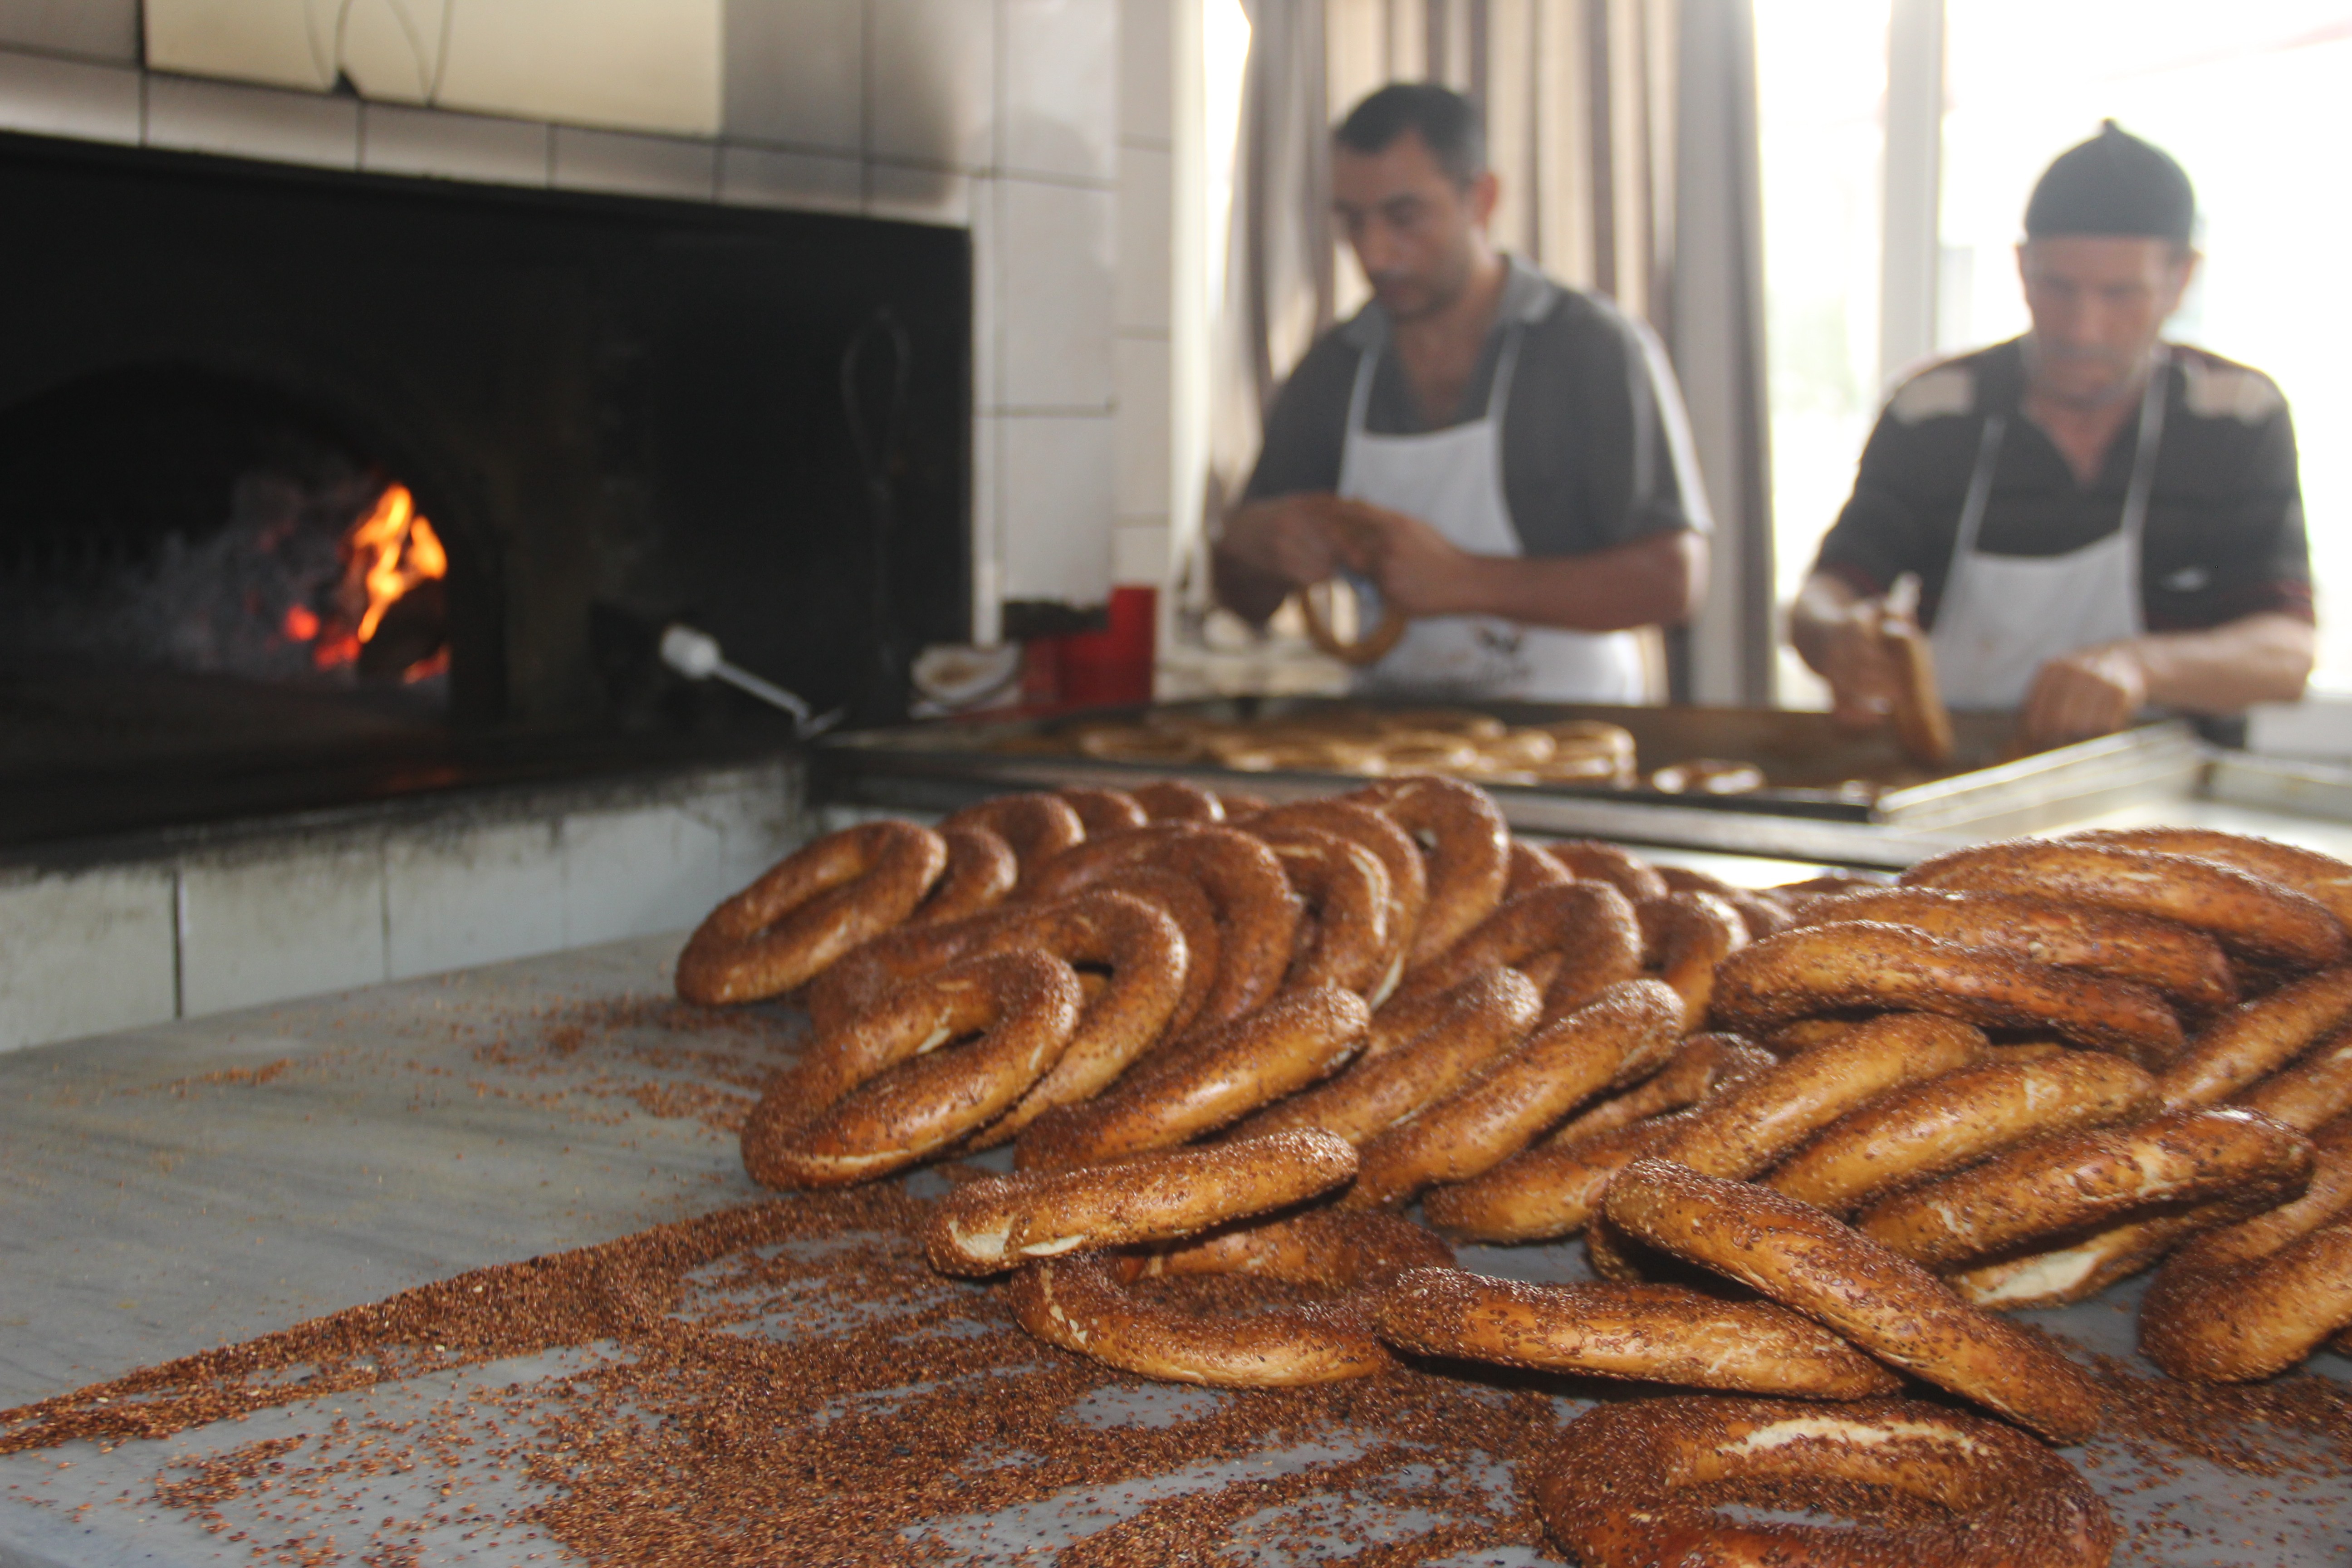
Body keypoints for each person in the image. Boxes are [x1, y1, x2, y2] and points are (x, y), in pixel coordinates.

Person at [1789, 122, 2313, 749]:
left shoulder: (2234, 416)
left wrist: (2138, 666)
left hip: (2168, 803)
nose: (2082, 328)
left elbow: (2286, 652)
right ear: (2021, 267)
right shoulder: (1936, 411)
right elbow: (1825, 595)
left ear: (2181, 280)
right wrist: (1838, 636)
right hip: (1956, 781)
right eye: (2056, 287)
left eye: (2121, 294)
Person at [1211, 83, 1710, 702]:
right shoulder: (1332, 371)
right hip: (1390, 740)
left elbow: (1674, 581)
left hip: (1574, 740)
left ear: (1482, 198)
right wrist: (1254, 549)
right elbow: (1244, 598)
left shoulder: (1590, 348)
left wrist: (1466, 581)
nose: (1374, 252)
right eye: (1352, 220)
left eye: (1404, 217)